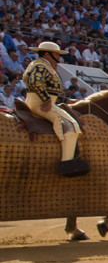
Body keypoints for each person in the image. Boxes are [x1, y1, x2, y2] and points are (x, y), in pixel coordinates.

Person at [21, 41, 89, 176]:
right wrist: (46, 100)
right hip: (39, 103)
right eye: (56, 54)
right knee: (70, 125)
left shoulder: (45, 66)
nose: (59, 57)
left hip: (44, 101)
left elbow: (52, 92)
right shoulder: (40, 65)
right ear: (47, 54)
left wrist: (67, 100)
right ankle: (67, 164)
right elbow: (36, 82)